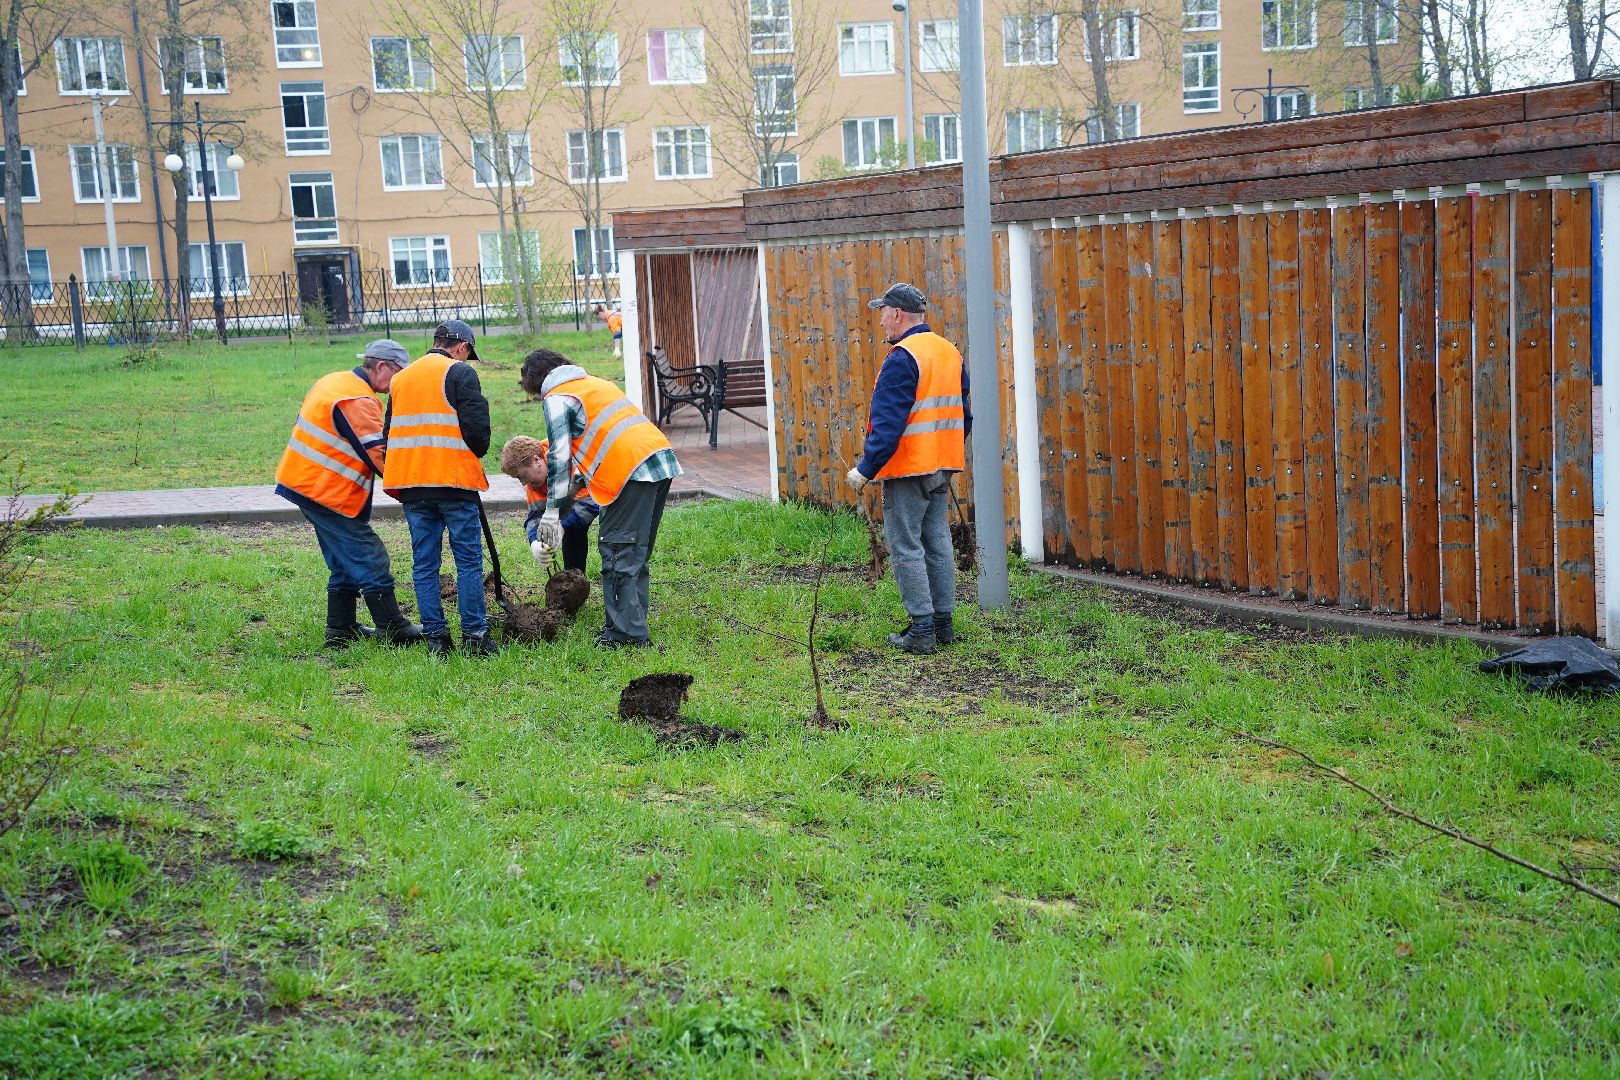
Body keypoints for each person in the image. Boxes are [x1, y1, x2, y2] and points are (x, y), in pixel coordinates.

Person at [518, 348, 681, 648]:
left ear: (536, 384)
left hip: (628, 472)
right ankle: (632, 623)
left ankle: (625, 636)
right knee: (635, 553)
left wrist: (553, 516)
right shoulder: (596, 384)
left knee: (618, 553)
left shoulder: (557, 398)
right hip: (659, 460)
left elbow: (559, 458)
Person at [844, 283, 971, 655]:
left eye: (883, 312)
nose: (881, 320)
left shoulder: (902, 356)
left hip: (908, 468)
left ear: (897, 314)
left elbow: (888, 423)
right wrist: (945, 451)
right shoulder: (949, 351)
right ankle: (943, 623)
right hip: (942, 465)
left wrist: (866, 468)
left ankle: (921, 629)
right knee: (937, 541)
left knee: (905, 546)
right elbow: (965, 414)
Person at [275, 339, 425, 649]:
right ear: (382, 366)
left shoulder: (335, 381)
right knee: (371, 557)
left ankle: (340, 630)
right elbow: (379, 455)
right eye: (399, 374)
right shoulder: (358, 399)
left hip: (306, 483)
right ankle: (393, 627)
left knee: (343, 560)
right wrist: (417, 486)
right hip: (325, 492)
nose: (399, 383)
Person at [381, 319, 497, 658]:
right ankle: (475, 637)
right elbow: (478, 433)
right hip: (453, 481)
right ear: (461, 348)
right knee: (468, 561)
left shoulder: (399, 379)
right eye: (467, 354)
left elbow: (390, 432)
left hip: (412, 485)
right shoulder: (459, 374)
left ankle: (436, 640)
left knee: (424, 564)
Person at [498, 435, 600, 574]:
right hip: (585, 499)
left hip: (617, 490)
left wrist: (561, 526)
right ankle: (574, 579)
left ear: (536, 460)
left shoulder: (568, 459)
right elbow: (536, 514)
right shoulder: (533, 484)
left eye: (522, 476)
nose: (522, 483)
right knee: (572, 529)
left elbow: (592, 502)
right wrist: (535, 541)